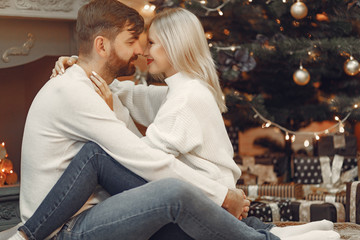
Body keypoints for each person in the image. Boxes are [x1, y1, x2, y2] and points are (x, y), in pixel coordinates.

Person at [10, 1, 340, 240]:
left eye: (148, 43)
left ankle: (266, 234)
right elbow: (140, 156)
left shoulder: (176, 93)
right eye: (131, 43)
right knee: (167, 191)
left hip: (95, 210)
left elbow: (130, 134)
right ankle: (268, 238)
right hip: (63, 225)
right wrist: (79, 68)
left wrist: (87, 73)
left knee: (167, 195)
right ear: (101, 45)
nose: (139, 52)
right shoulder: (79, 91)